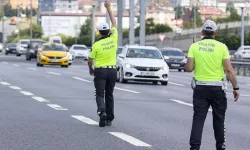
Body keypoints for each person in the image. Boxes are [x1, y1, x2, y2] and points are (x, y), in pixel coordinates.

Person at [185, 20, 240, 150]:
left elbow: (188, 68)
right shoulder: (222, 47)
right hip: (217, 89)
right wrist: (236, 88)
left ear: (202, 32)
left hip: (200, 89)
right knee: (219, 120)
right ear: (216, 33)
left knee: (198, 119)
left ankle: (194, 147)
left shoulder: (194, 46)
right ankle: (220, 147)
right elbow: (229, 70)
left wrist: (193, 64)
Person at [88, 0, 118, 127]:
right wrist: (109, 8)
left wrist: (91, 69)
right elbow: (114, 22)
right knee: (109, 94)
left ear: (99, 32)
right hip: (112, 71)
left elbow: (90, 60)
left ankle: (102, 112)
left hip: (100, 71)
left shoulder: (96, 45)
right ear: (108, 31)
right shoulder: (114, 38)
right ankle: (109, 118)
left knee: (100, 94)